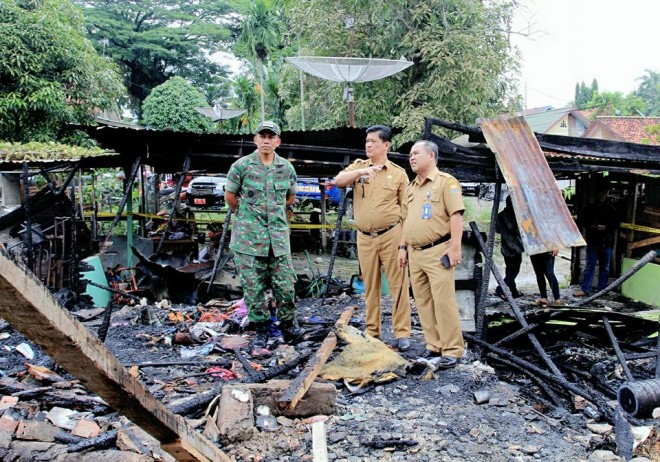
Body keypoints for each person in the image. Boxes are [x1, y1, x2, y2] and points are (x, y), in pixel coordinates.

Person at [224, 120, 303, 349]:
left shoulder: (286, 168)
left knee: (286, 285)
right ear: (255, 139)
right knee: (253, 287)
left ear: (278, 141)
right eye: (262, 136)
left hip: (277, 239)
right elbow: (231, 198)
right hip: (248, 240)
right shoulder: (241, 166)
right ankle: (261, 329)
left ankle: (288, 325)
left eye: (271, 136)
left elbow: (289, 199)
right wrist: (249, 218)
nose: (266, 140)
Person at [334, 125, 411, 351]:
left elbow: (406, 211)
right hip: (365, 237)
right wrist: (359, 173)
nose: (368, 145)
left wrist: (403, 245)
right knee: (370, 286)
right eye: (367, 141)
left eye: (373, 141)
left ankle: (402, 332)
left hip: (391, 234)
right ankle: (372, 331)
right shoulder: (359, 167)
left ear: (386, 145)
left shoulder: (398, 173)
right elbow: (338, 180)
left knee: (398, 285)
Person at [398, 140, 464, 369]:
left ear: (431, 156)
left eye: (416, 153)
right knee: (423, 302)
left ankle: (452, 349)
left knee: (443, 301)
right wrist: (402, 247)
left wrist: (455, 247)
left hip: (438, 250)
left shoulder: (446, 183)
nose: (411, 158)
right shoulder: (411, 187)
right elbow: (406, 220)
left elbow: (456, 215)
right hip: (415, 253)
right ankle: (434, 345)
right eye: (410, 155)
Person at [575, 189, 620, 296]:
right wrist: (594, 226)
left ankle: (602, 290)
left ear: (606, 194)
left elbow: (616, 224)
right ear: (596, 195)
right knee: (590, 265)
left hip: (606, 242)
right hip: (593, 242)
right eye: (600, 193)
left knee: (604, 267)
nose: (602, 195)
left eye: (603, 193)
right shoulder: (590, 208)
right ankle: (585, 289)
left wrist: (606, 227)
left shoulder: (611, 210)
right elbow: (582, 221)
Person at [495, 196, 524, 299]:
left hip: (505, 247)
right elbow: (517, 229)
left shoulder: (499, 215)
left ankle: (513, 291)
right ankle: (500, 289)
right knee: (514, 270)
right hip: (515, 247)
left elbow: (497, 230)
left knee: (509, 269)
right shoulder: (515, 215)